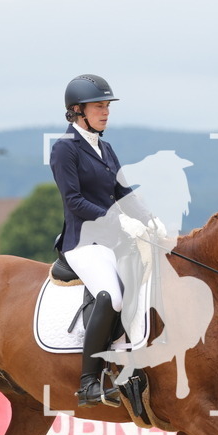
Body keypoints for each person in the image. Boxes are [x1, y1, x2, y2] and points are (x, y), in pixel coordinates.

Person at [50, 74, 158, 408]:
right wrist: (118, 219)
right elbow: (74, 202)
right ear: (77, 110)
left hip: (114, 241)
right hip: (83, 243)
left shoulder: (106, 148)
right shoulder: (64, 149)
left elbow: (123, 193)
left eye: (107, 106)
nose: (106, 112)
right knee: (110, 296)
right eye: (99, 106)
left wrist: (149, 219)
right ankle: (88, 383)